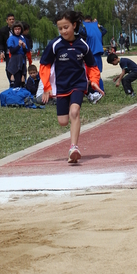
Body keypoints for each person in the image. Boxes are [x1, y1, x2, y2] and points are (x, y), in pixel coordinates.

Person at [40, 9, 103, 164]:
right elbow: (44, 65)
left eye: (66, 27)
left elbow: (92, 65)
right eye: (60, 28)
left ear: (74, 25)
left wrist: (93, 80)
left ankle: (73, 148)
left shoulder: (83, 45)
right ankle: (71, 138)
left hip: (78, 84)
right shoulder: (54, 45)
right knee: (63, 121)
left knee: (75, 112)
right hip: (61, 86)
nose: (63, 31)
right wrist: (47, 87)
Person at [82, 16, 107, 91]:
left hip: (92, 54)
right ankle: (98, 90)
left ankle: (97, 91)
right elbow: (104, 31)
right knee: (96, 73)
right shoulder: (96, 32)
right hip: (97, 53)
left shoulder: (88, 31)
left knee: (94, 73)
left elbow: (80, 31)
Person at [7, 21, 27, 88]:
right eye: (16, 29)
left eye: (19, 29)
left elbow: (25, 51)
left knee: (23, 77)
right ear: (13, 30)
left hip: (22, 59)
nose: (17, 31)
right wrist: (18, 46)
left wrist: (24, 47)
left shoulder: (22, 38)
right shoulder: (11, 38)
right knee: (17, 78)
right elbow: (12, 51)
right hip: (15, 59)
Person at [0, 13, 15, 78]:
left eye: (13, 19)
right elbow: (0, 42)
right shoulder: (3, 30)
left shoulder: (18, 29)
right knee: (8, 69)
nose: (11, 21)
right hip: (8, 53)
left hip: (17, 52)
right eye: (10, 19)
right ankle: (11, 83)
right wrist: (1, 51)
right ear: (7, 21)